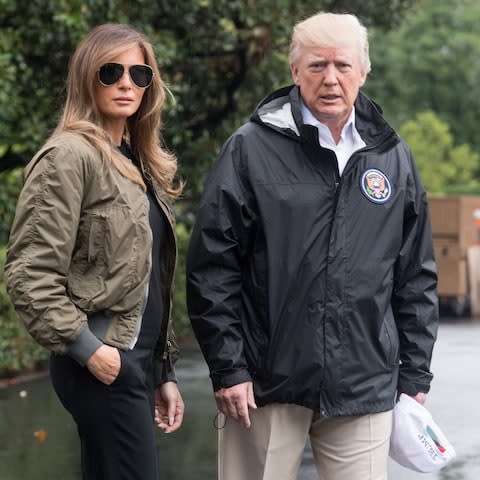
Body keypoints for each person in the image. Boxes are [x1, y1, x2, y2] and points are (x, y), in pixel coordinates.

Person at [186, 12, 438, 480]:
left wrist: (416, 373)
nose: (330, 79)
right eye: (317, 66)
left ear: (363, 72)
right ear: (294, 72)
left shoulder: (391, 155)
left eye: (342, 66)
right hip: (264, 383)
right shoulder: (250, 148)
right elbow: (212, 269)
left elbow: (414, 273)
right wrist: (229, 368)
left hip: (364, 383)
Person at [5, 23, 184, 480]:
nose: (127, 83)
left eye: (139, 74)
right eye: (112, 72)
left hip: (136, 361)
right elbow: (29, 274)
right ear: (88, 77)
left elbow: (144, 282)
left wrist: (162, 372)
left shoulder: (137, 161)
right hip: (100, 362)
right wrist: (91, 351)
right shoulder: (68, 156)